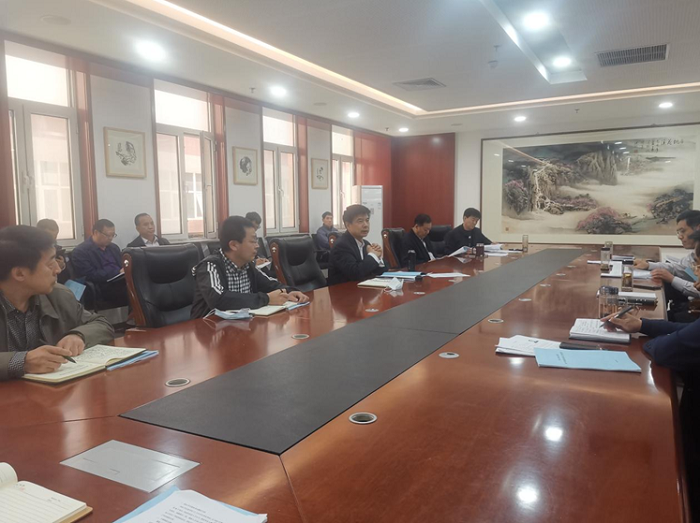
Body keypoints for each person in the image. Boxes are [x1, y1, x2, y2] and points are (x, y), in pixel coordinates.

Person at [0, 226, 114, 381]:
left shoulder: (58, 295)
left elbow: (101, 323)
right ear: (20, 273)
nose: (57, 270)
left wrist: (78, 335)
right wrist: (21, 362)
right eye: (50, 264)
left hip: (51, 391)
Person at [191, 216, 308, 318]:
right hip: (209, 329)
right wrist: (266, 299)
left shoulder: (248, 266)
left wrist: (290, 292)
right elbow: (218, 299)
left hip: (241, 327)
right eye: (252, 241)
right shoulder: (209, 266)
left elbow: (271, 284)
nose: (257, 246)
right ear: (234, 245)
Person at [634, 210, 700, 319]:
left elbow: (697, 291)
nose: (680, 237)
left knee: (654, 322)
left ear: (698, 228)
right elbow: (679, 268)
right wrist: (648, 265)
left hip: (695, 311)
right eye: (678, 232)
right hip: (689, 304)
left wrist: (672, 279)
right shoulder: (694, 253)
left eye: (683, 231)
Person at [71, 219, 128, 306]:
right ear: (96, 232)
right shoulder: (81, 251)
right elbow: (90, 275)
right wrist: (117, 272)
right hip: (102, 286)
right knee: (133, 291)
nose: (110, 238)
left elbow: (121, 265)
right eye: (107, 235)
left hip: (121, 281)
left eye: (113, 235)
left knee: (140, 284)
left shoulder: (114, 248)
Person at [328, 204, 387, 286]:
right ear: (348, 225)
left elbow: (381, 272)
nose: (365, 225)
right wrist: (373, 255)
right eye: (360, 221)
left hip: (362, 289)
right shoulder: (341, 246)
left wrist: (378, 257)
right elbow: (356, 273)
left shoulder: (366, 244)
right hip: (344, 291)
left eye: (367, 220)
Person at [36, 218, 68, 283]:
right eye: (50, 236)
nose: (53, 239)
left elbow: (67, 276)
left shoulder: (57, 249)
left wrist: (62, 266)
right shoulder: (33, 251)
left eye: (55, 236)